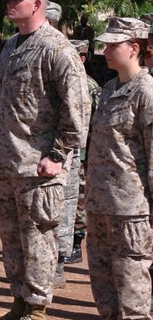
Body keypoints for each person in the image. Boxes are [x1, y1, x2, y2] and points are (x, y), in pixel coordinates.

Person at [0, 0, 88, 320]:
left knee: (38, 239)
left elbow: (77, 108)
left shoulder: (56, 48)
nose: (9, 4)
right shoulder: (11, 45)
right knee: (12, 241)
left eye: (17, 0)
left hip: (39, 167)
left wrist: (58, 154)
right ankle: (19, 304)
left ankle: (37, 312)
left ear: (37, 4)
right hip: (10, 161)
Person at [69, 17, 152, 320]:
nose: (105, 50)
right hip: (102, 203)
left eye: (112, 44)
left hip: (132, 207)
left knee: (131, 274)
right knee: (102, 275)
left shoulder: (146, 92)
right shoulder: (110, 89)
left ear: (134, 47)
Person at [63, 39, 101, 264]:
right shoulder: (63, 82)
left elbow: (96, 124)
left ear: (83, 59)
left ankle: (76, 242)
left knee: (79, 198)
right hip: (65, 151)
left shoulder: (91, 87)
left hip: (84, 153)